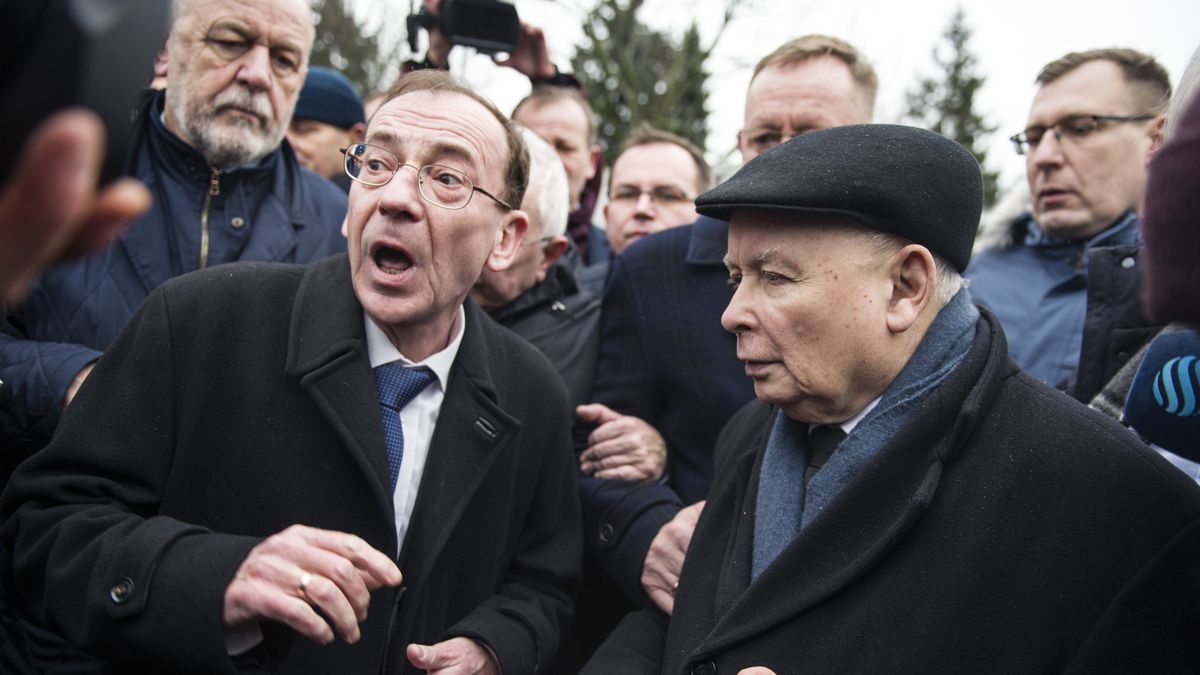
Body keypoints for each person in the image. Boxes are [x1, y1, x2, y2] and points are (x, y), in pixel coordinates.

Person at [0, 69, 580, 675]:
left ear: (506, 240)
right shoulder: (200, 320)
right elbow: (46, 527)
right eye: (377, 164)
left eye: (446, 178)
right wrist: (216, 579)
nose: (397, 198)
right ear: (349, 203)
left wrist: (494, 647)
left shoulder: (532, 391)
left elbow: (545, 585)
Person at [583, 123, 1200, 675]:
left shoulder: (1111, 503)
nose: (731, 314)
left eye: (774, 278)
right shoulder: (747, 431)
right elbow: (689, 624)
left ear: (906, 287)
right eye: (735, 277)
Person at [576, 35, 877, 613]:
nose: (783, 155)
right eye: (765, 137)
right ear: (739, 145)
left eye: (810, 135)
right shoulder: (652, 270)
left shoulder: (904, 271)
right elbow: (602, 451)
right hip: (696, 608)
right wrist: (648, 532)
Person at [0, 0, 348, 446]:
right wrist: (70, 380)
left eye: (283, 59)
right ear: (165, 52)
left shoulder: (337, 222)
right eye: (230, 42)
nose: (258, 75)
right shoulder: (63, 171)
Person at [966, 48, 1169, 399]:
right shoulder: (971, 273)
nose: (1043, 157)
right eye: (1033, 139)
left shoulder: (1182, 290)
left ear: (1156, 139)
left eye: (1079, 128)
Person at [471, 128, 600, 405]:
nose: (477, 249)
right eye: (473, 220)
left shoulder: (588, 333)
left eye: (506, 235)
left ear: (549, 255)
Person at [576, 126, 711, 296]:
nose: (642, 208)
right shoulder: (571, 304)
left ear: (705, 215)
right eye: (626, 194)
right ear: (607, 214)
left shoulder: (734, 302)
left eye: (668, 196)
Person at [512, 86, 610, 266]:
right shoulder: (480, 243)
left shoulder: (615, 258)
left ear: (592, 162)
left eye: (564, 147)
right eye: (534, 145)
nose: (551, 159)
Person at [287, 66, 367, 190]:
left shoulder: (377, 205)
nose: (285, 143)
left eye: (303, 129)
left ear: (356, 138)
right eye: (280, 133)